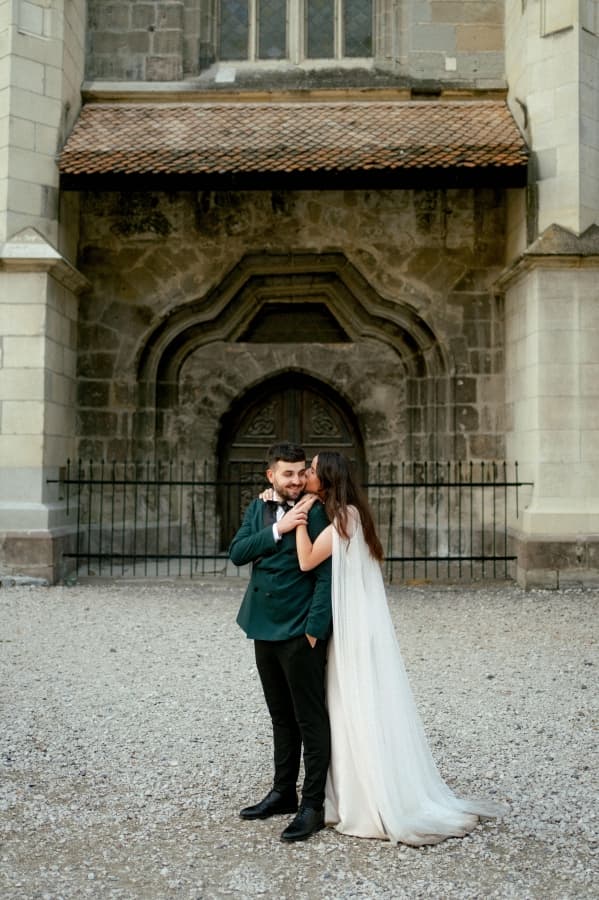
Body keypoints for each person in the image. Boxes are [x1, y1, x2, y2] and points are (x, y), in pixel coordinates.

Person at [279, 450, 507, 846]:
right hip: (361, 626)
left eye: (312, 470)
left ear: (326, 478)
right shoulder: (354, 515)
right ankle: (365, 786)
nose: (306, 475)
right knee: (361, 705)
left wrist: (299, 518)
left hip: (349, 632)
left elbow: (305, 561)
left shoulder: (339, 518)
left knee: (352, 707)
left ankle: (368, 797)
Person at [229, 442, 333, 843]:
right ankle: (282, 793)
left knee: (310, 719)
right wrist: (278, 529)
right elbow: (238, 552)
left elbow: (326, 575)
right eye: (286, 473)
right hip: (262, 624)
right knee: (280, 715)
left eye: (300, 472)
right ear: (270, 475)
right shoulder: (260, 508)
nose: (294, 480)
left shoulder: (319, 510)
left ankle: (313, 805)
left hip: (299, 629)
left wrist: (314, 628)